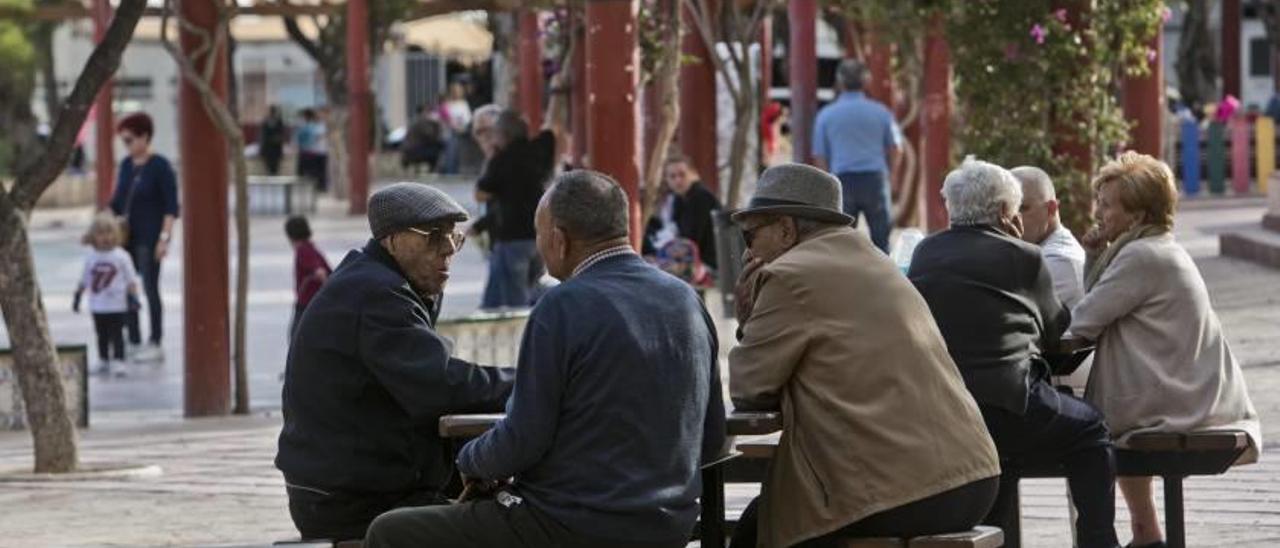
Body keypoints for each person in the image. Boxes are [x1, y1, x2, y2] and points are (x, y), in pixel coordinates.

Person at [365, 170, 726, 548]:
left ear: (558, 238)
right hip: (668, 526)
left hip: (569, 524)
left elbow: (523, 438)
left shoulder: (562, 305)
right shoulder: (686, 299)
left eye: (539, 233)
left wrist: (470, 460)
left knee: (391, 531)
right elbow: (713, 437)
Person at [727, 164, 1000, 548]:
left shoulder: (789, 274)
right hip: (974, 476)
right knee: (759, 521)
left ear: (786, 229)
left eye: (750, 235)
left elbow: (748, 388)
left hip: (904, 490)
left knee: (764, 529)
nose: (749, 250)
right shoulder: (877, 262)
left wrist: (746, 323)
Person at [276, 183, 515, 541]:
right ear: (391, 240)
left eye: (454, 238)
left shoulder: (378, 282)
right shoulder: (376, 294)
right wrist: (533, 381)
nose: (448, 250)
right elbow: (442, 385)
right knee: (509, 525)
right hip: (352, 499)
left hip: (352, 483)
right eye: (434, 237)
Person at [908, 157, 1118, 548]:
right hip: (1010, 406)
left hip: (946, 410)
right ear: (1007, 212)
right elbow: (1056, 333)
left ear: (951, 207)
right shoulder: (1024, 256)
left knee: (1000, 452)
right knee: (1091, 428)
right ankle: (1098, 541)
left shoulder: (924, 253)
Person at [1069, 152, 1262, 548]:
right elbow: (1098, 304)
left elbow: (1082, 322)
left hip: (1177, 399)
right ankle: (1146, 532)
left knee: (1081, 432)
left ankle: (1114, 537)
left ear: (1137, 216)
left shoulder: (1141, 256)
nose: (1098, 213)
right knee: (1097, 421)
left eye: (1107, 205)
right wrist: (1094, 254)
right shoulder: (1155, 247)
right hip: (1188, 388)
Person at [471, 105, 558, 310]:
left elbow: (480, 194)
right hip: (539, 234)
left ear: (502, 135)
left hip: (512, 238)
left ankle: (521, 336)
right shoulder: (541, 148)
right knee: (534, 289)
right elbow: (552, 129)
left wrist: (493, 156)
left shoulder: (501, 160)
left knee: (513, 301)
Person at [109, 112, 178, 363]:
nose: (126, 145)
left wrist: (164, 238)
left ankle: (155, 340)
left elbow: (171, 207)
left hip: (150, 238)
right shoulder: (126, 165)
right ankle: (133, 338)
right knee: (127, 287)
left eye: (129, 140)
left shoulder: (160, 166)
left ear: (144, 136)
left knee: (150, 288)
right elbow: (117, 201)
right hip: (126, 238)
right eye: (123, 141)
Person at [812, 59, 902, 253]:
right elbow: (896, 147)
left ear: (839, 82)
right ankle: (883, 281)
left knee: (841, 244)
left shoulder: (826, 115)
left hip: (842, 183)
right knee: (882, 243)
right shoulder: (882, 112)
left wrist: (826, 187)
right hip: (875, 181)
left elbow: (819, 155)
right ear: (866, 82)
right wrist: (893, 177)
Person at [73, 214, 141, 377]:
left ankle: (118, 360)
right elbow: (85, 278)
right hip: (97, 304)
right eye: (101, 234)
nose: (105, 238)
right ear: (93, 237)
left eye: (109, 233)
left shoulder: (121, 256)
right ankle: (103, 359)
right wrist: (78, 295)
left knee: (117, 333)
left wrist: (134, 298)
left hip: (117, 303)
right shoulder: (91, 256)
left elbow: (131, 279)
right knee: (101, 333)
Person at [1011, 166, 1086, 308]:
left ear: (1051, 209)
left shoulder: (1059, 262)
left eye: (1022, 208)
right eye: (1008, 209)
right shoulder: (1039, 252)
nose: (1012, 219)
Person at [664, 155, 722, 271]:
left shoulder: (701, 197)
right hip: (696, 262)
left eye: (682, 175)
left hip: (712, 264)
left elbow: (690, 240)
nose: (678, 180)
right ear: (667, 180)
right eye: (672, 176)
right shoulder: (678, 198)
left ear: (692, 174)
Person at [284, 216, 332, 340]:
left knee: (296, 338)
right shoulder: (310, 248)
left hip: (307, 303)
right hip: (313, 302)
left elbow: (320, 272)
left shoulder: (303, 251)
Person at [400, 103, 445, 174]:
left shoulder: (414, 121)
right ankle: (433, 171)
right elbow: (430, 137)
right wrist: (436, 124)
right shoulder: (422, 122)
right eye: (427, 111)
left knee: (435, 148)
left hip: (409, 151)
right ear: (424, 112)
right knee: (437, 150)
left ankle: (430, 170)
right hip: (415, 151)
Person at [295, 108, 328, 192]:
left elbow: (315, 138)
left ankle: (319, 187)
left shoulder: (317, 126)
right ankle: (310, 187)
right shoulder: (311, 126)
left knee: (316, 172)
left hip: (316, 152)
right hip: (312, 152)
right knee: (311, 172)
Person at [259, 105, 287, 176]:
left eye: (273, 111)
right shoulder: (265, 122)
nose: (272, 113)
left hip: (276, 148)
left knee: (275, 168)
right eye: (272, 111)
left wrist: (278, 139)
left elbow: (282, 133)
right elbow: (262, 136)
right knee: (268, 167)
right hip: (267, 148)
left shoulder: (279, 121)